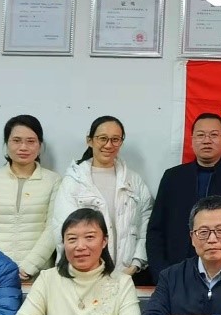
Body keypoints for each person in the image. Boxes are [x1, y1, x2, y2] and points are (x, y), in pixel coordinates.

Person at [31, 116, 153, 278]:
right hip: (83, 276)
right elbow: (63, 230)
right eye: (102, 138)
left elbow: (146, 225)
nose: (108, 145)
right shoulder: (74, 180)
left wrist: (135, 264)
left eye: (115, 139)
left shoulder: (134, 181)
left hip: (127, 275)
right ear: (90, 141)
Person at [148, 112, 221, 279]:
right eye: (200, 135)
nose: (207, 140)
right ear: (192, 140)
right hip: (177, 273)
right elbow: (156, 230)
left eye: (214, 135)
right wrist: (162, 273)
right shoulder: (173, 177)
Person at [10, 208, 141, 315]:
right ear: (63, 243)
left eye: (89, 237)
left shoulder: (122, 281)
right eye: (72, 239)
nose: (80, 246)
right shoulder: (48, 278)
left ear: (104, 241)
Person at [0, 115, 62, 281]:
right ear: (6, 144)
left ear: (40, 145)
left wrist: (30, 266)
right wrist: (1, 265)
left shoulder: (54, 181)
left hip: (39, 274)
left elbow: (54, 227)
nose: (23, 147)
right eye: (16, 140)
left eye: (31, 141)